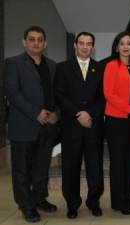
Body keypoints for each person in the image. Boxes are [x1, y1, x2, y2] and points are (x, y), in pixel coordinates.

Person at [5, 26, 58, 222]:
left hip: (47, 127)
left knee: (41, 168)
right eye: (32, 39)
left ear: (45, 43)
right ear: (24, 42)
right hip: (24, 126)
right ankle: (26, 206)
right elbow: (12, 93)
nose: (36, 43)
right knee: (21, 170)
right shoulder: (13, 63)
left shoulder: (52, 65)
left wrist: (56, 115)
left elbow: (57, 95)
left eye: (40, 39)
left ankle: (39, 199)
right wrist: (36, 114)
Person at [55, 32, 105, 219]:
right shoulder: (63, 68)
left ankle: (94, 202)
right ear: (75, 45)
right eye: (81, 43)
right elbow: (59, 94)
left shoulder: (100, 68)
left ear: (93, 47)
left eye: (89, 44)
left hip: (93, 126)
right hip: (71, 126)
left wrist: (89, 113)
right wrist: (78, 113)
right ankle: (72, 204)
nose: (85, 47)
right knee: (70, 167)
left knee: (95, 167)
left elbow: (103, 96)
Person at [103, 31, 130, 215]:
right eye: (122, 43)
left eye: (129, 43)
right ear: (116, 47)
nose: (126, 46)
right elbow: (108, 94)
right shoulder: (112, 66)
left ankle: (129, 198)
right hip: (116, 121)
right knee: (118, 162)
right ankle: (119, 202)